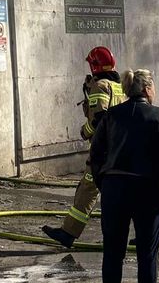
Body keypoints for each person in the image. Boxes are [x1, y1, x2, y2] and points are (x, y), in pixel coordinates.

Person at [89, 68, 159, 283]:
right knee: (147, 253)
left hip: (115, 188)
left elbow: (96, 154)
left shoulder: (112, 116)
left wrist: (103, 184)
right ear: (148, 89)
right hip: (148, 189)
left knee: (113, 251)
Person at [42, 46, 124, 248]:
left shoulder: (101, 86)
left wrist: (84, 131)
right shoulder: (119, 87)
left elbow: (99, 119)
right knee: (120, 191)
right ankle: (142, 232)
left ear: (94, 65)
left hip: (102, 151)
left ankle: (68, 233)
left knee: (88, 189)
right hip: (119, 147)